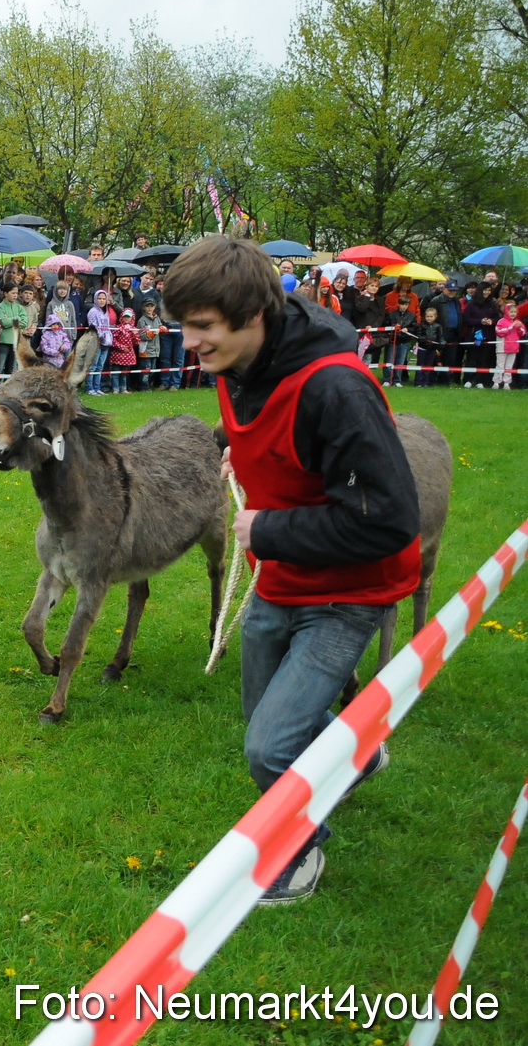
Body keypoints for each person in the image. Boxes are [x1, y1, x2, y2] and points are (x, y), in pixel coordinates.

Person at [166, 236, 417, 905]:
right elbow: (255, 423)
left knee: (269, 749)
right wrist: (233, 451)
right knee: (272, 727)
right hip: (282, 575)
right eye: (183, 325)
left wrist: (267, 527)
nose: (189, 342)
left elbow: (389, 516)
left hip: (348, 589)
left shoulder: (335, 386)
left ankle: (297, 855)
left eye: (202, 327)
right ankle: (359, 753)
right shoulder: (235, 364)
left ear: (252, 314)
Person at [84, 288, 114, 395]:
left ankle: (97, 387)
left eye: (103, 298)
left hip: (106, 342)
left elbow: (107, 326)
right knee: (93, 366)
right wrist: (100, 336)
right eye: (99, 298)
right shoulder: (93, 312)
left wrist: (109, 337)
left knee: (100, 366)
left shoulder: (105, 312)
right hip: (96, 342)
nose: (101, 301)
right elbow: (93, 326)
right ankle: (90, 387)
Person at [108, 307, 139, 393]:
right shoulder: (117, 328)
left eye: (128, 317)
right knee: (115, 372)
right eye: (125, 316)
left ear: (132, 318)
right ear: (121, 317)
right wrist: (122, 347)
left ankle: (123, 388)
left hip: (128, 355)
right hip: (117, 354)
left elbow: (136, 342)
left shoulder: (133, 329)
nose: (126, 318)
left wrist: (136, 335)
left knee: (124, 373)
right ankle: (115, 388)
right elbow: (113, 341)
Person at [493, 301, 523, 389]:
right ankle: (496, 382)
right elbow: (499, 332)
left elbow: (522, 333)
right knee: (500, 365)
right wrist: (511, 327)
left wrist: (519, 327)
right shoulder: (501, 321)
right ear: (506, 312)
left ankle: (507, 383)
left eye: (514, 312)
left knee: (509, 366)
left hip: (513, 348)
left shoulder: (518, 322)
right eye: (511, 312)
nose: (513, 314)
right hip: (502, 347)